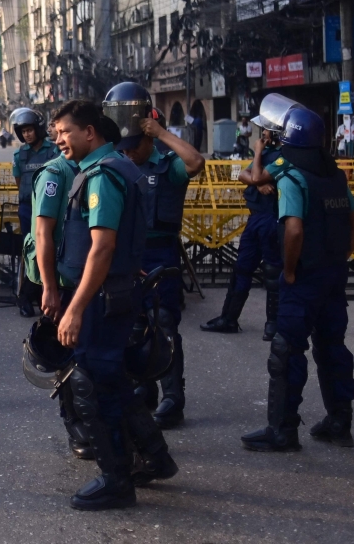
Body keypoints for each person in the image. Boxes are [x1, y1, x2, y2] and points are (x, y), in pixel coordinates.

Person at [54, 101, 177, 511]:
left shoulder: (104, 174)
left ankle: (116, 480)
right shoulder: (121, 167)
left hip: (102, 297)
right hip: (117, 292)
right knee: (113, 380)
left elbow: (102, 247)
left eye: (65, 132)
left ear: (90, 132)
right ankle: (156, 457)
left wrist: (75, 308)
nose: (59, 140)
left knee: (92, 384)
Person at [241, 106, 354, 452]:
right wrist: (341, 256)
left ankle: (282, 429)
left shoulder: (292, 177)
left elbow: (293, 229)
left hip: (304, 277)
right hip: (333, 275)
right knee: (332, 347)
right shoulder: (335, 176)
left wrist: (291, 269)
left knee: (287, 350)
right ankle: (339, 422)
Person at [106, 82, 205, 430]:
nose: (131, 151)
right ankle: (142, 388)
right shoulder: (118, 162)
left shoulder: (168, 166)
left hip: (161, 251)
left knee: (164, 327)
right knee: (132, 326)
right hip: (127, 253)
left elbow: (195, 162)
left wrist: (161, 133)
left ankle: (173, 398)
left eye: (137, 143)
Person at [202, 93, 295, 339]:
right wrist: (257, 182)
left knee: (273, 275)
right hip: (256, 218)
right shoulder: (266, 154)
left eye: (264, 131)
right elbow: (245, 176)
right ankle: (229, 318)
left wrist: (256, 160)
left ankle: (272, 326)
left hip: (272, 219)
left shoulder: (284, 156)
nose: (260, 134)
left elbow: (253, 175)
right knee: (242, 269)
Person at [26, 115, 89, 458]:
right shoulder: (56, 172)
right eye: (59, 133)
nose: (63, 139)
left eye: (69, 131)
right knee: (67, 355)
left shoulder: (95, 167)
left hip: (88, 278)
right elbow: (43, 234)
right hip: (62, 278)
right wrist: (49, 286)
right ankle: (75, 425)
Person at [10, 107, 59, 318]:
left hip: (49, 207)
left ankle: (37, 295)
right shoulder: (19, 155)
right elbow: (20, 182)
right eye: (23, 132)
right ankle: (28, 296)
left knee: (49, 249)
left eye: (29, 130)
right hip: (28, 208)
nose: (27, 134)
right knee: (32, 251)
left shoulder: (54, 151)